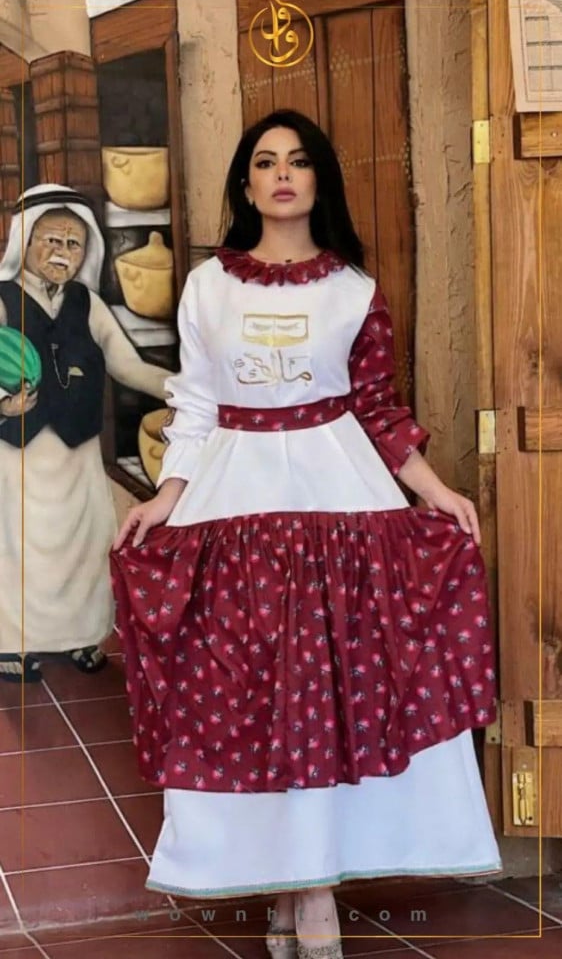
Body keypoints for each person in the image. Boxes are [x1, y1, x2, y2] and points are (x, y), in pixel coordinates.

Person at [111, 110, 502, 959]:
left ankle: (311, 892)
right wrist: (167, 496)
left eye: (297, 161)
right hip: (233, 502)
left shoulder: (353, 290)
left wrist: (436, 492)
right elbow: (196, 406)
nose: (282, 174)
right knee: (252, 699)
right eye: (265, 162)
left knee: (333, 696)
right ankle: (292, 884)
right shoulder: (207, 286)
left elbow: (377, 409)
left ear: (319, 179)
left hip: (341, 500)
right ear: (245, 184)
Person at [0, 184, 170, 683]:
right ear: (26, 242)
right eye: (52, 240)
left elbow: (130, 367)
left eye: (73, 244)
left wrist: (191, 391)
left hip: (78, 454)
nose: (63, 253)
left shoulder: (88, 304)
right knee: (17, 547)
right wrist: (4, 404)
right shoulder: (3, 300)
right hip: (18, 456)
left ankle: (79, 636)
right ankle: (12, 643)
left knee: (84, 545)